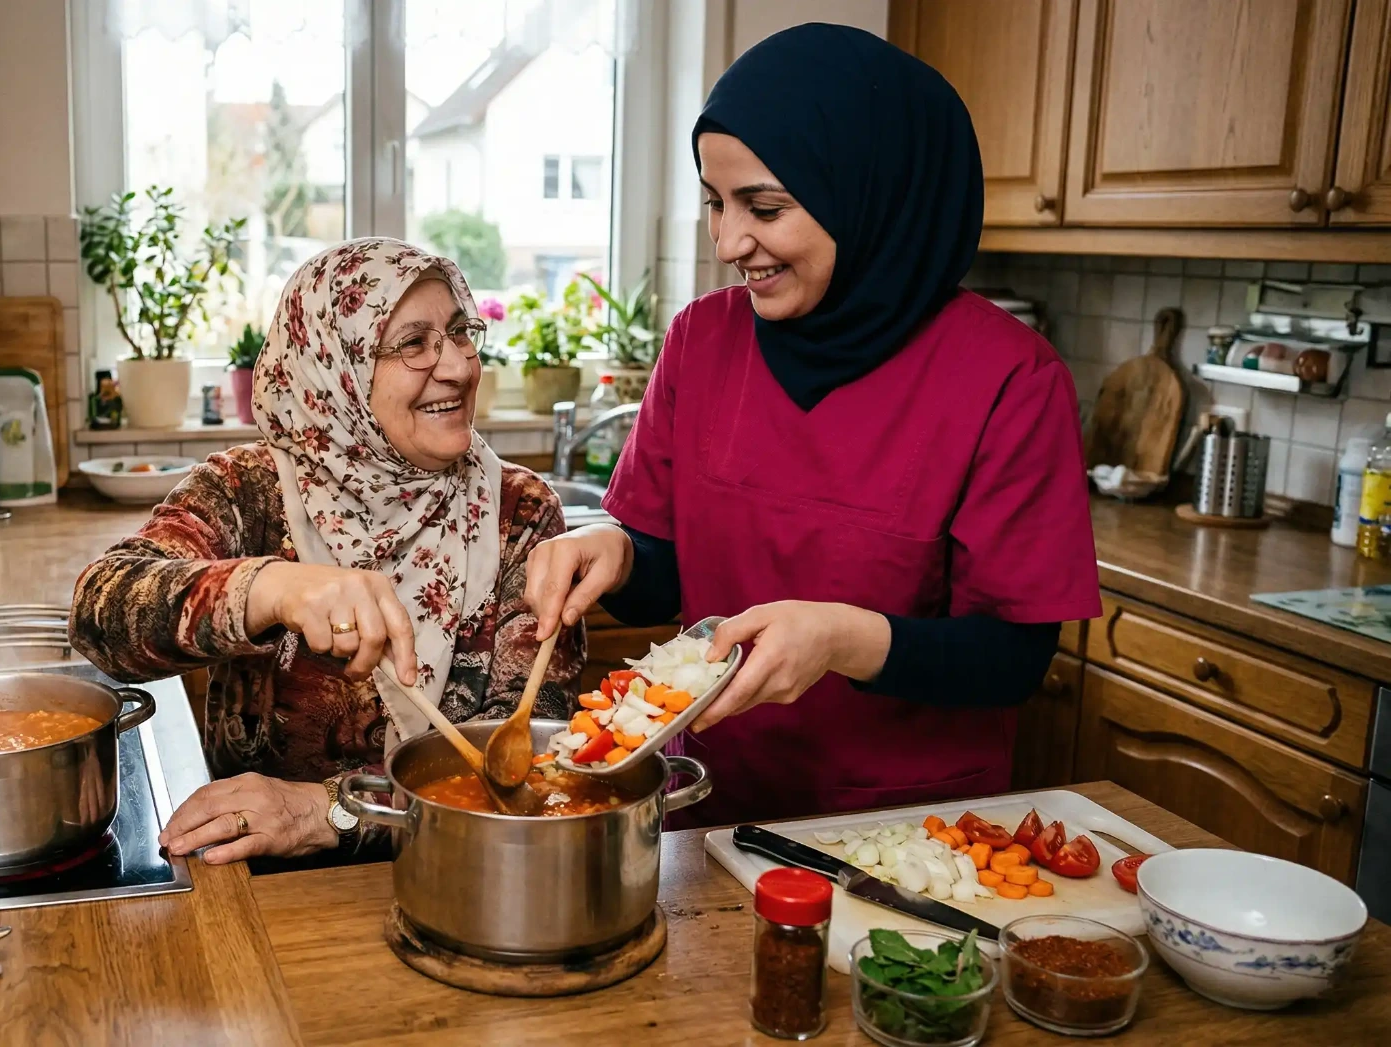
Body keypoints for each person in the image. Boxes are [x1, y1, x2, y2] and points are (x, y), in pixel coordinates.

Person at [525, 24, 1100, 826]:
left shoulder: (1010, 378)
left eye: (765, 207)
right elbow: (666, 567)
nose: (729, 241)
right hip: (710, 804)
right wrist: (616, 550)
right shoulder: (702, 339)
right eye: (714, 204)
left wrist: (841, 639)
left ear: (868, 194)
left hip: (901, 833)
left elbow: (1012, 659)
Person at [71, 238, 585, 864]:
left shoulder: (522, 513)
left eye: (458, 332)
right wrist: (270, 588)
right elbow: (101, 614)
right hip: (263, 894)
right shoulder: (250, 490)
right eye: (412, 344)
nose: (457, 366)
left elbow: (524, 768)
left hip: (469, 879)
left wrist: (332, 811)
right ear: (333, 367)